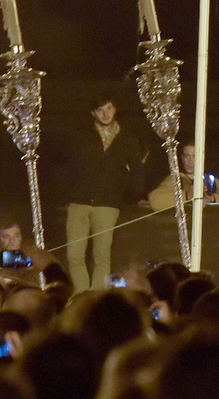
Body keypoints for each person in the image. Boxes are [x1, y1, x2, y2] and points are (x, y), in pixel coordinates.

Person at [65, 93, 147, 290]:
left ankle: (96, 298)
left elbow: (137, 170)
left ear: (115, 109)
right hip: (79, 201)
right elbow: (68, 167)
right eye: (100, 110)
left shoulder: (128, 139)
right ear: (93, 113)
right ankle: (82, 296)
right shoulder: (81, 136)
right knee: (75, 255)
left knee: (102, 256)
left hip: (108, 204)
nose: (105, 113)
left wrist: (136, 196)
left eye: (109, 108)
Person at [146, 143, 219, 212]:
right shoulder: (175, 179)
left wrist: (212, 199)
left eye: (194, 156)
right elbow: (154, 200)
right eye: (187, 156)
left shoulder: (211, 180)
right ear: (182, 158)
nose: (190, 161)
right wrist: (186, 196)